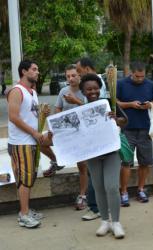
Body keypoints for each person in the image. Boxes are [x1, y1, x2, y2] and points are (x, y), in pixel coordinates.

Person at [76, 73, 125, 238]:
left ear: (100, 88)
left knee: (111, 187)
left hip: (112, 152)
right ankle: (105, 221)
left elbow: (126, 121)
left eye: (96, 88)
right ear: (83, 92)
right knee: (98, 188)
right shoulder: (80, 111)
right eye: (88, 89)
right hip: (93, 154)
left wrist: (116, 118)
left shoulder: (109, 103)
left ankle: (116, 222)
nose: (93, 91)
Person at [7, 60, 47, 228]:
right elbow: (13, 117)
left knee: (27, 179)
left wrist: (42, 113)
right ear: (24, 71)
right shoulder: (17, 91)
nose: (37, 72)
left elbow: (31, 113)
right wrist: (34, 133)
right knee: (25, 180)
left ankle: (26, 210)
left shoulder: (32, 91)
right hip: (21, 143)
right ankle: (24, 215)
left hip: (29, 141)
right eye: (34, 69)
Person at [42, 64, 88, 210]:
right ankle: (56, 161)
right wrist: (52, 127)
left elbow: (89, 110)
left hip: (80, 133)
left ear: (79, 75)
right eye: (68, 76)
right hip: (64, 131)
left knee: (82, 165)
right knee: (40, 140)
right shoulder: (63, 91)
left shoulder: (86, 90)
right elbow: (58, 109)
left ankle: (82, 195)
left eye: (73, 75)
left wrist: (76, 101)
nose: (71, 78)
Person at [116, 61, 153, 206]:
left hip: (145, 129)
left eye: (142, 76)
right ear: (131, 73)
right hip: (127, 129)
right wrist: (130, 104)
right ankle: (124, 192)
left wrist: (150, 105)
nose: (140, 79)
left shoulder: (150, 84)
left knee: (145, 162)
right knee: (126, 162)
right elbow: (114, 102)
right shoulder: (121, 84)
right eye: (137, 76)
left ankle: (141, 189)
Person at [75, 58, 102, 220]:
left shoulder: (104, 96)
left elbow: (122, 119)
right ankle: (96, 207)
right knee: (93, 174)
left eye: (78, 71)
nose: (92, 91)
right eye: (88, 90)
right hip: (92, 144)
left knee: (106, 181)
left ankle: (100, 208)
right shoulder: (85, 99)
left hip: (105, 145)